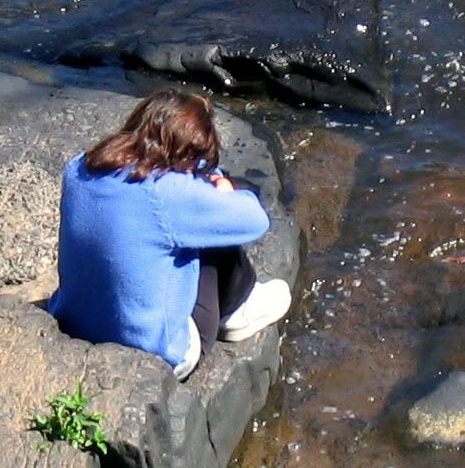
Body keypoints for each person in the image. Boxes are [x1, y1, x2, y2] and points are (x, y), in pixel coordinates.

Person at [47, 89, 291, 380]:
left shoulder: (78, 168)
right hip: (157, 352)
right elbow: (254, 221)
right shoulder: (166, 195)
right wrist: (222, 190)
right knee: (211, 231)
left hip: (74, 323)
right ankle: (238, 312)